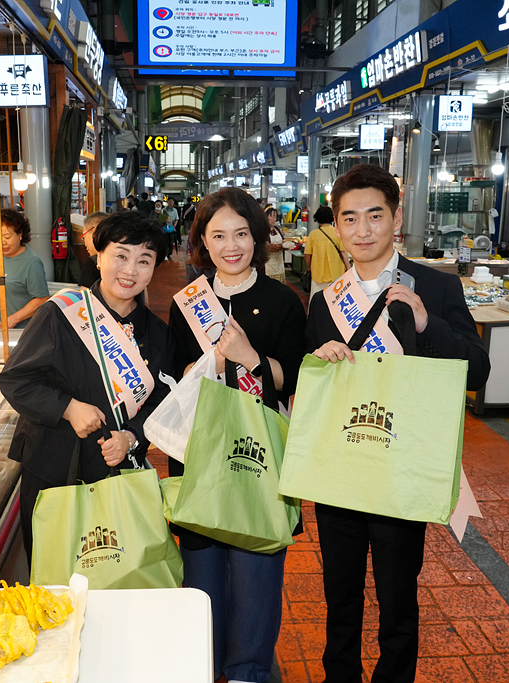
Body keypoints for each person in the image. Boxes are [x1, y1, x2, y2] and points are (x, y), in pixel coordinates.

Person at [305, 164, 490, 683]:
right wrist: (321, 358)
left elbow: (477, 370)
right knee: (339, 593)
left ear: (396, 218)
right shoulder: (325, 300)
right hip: (341, 469)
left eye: (374, 216)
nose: (362, 231)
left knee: (397, 597)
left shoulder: (434, 285)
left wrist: (428, 324)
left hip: (401, 468)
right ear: (336, 225)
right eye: (350, 218)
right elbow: (311, 387)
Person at [168, 187, 306, 683]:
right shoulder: (187, 302)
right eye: (219, 235)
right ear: (203, 242)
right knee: (201, 571)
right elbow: (171, 378)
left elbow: (291, 376)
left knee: (255, 569)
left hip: (257, 450)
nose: (232, 246)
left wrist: (248, 357)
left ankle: (248, 669)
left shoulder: (282, 301)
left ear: (258, 237)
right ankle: (204, 664)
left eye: (242, 234)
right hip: (199, 450)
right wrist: (202, 365)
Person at [0, 211, 175, 565]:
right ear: (98, 255)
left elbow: (161, 395)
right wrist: (67, 407)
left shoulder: (157, 333)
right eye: (120, 255)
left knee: (116, 571)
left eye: (144, 260)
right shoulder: (61, 313)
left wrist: (132, 437)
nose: (130, 270)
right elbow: (15, 378)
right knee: (54, 572)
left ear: (155, 268)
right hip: (54, 466)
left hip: (117, 471)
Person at [0, 210, 50, 330]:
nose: (3, 242)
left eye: (7, 237)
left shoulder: (31, 263)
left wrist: (14, 319)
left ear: (20, 235)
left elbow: (42, 299)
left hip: (18, 332)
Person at [304, 205, 350, 299]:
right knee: (335, 300)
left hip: (318, 274)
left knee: (317, 300)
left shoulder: (313, 235)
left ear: (317, 218)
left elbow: (307, 254)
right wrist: (349, 268)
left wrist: (309, 268)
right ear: (332, 218)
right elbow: (344, 253)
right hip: (336, 274)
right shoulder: (338, 233)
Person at [78, 212, 110, 288]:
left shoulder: (92, 262)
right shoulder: (121, 259)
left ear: (94, 232)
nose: (85, 244)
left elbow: (86, 296)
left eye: (84, 237)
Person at [263, 206, 286, 283]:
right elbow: (267, 247)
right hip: (268, 264)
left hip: (279, 262)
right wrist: (280, 246)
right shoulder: (264, 230)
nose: (274, 219)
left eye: (275, 217)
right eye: (272, 217)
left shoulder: (277, 229)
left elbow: (283, 241)